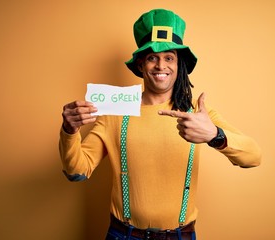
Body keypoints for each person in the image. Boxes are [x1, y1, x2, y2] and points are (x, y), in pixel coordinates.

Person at [59, 9, 261, 240]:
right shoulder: (115, 111)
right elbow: (76, 172)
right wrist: (69, 130)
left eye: (169, 57)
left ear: (179, 65)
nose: (160, 65)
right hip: (123, 235)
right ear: (141, 65)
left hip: (179, 236)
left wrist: (215, 135)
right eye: (152, 57)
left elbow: (253, 157)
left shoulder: (197, 113)